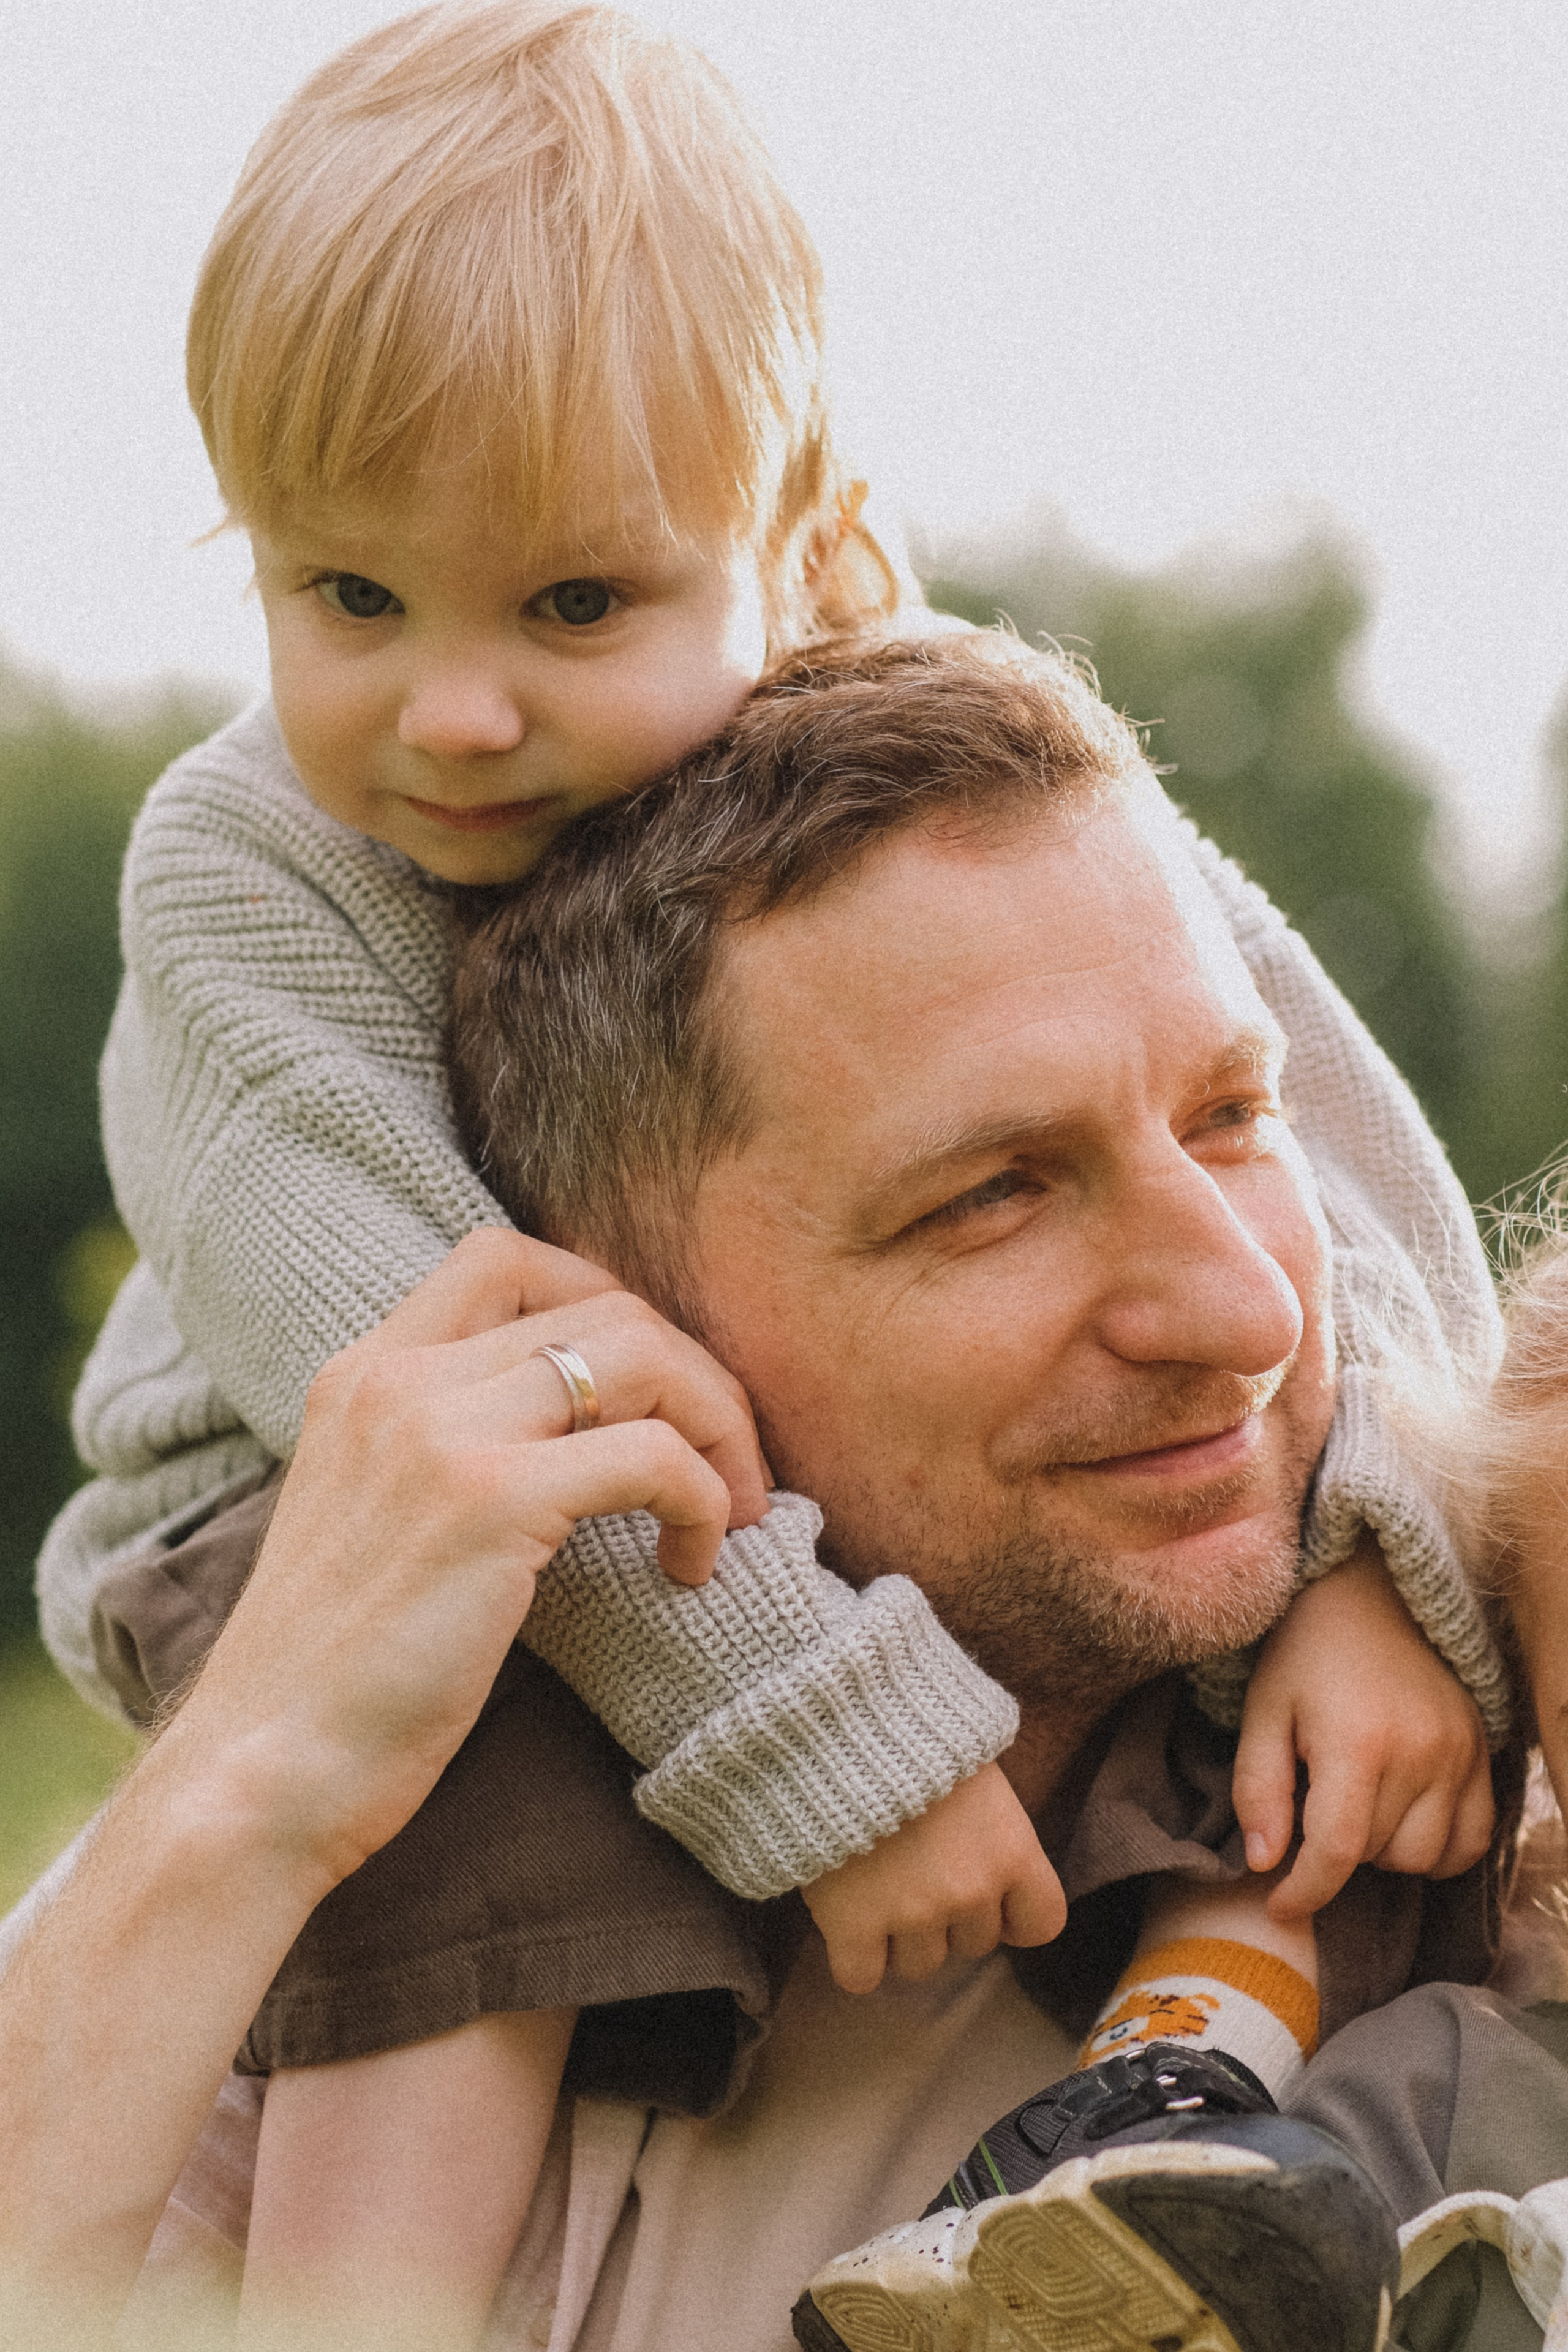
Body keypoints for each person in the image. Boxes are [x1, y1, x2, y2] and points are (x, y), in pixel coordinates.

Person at [29, 0, 1502, 2335]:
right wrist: (836, 1749)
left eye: (578, 602)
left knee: (1284, 1796)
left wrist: (1383, 1561)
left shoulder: (962, 760)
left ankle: (1158, 2132)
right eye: (347, 598)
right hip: (329, 1488)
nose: (456, 713)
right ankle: (360, 2300)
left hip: (688, 1520)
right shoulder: (252, 867)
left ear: (815, 555)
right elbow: (453, 1398)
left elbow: (1354, 1145)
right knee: (476, 1771)